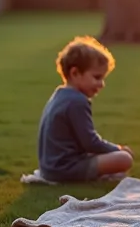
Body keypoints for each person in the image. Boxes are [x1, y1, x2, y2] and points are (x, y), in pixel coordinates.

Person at [36, 36, 134, 183]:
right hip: (64, 169)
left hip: (49, 168)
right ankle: (98, 175)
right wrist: (118, 149)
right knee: (124, 159)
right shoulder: (77, 101)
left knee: (115, 158)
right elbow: (90, 142)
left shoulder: (59, 94)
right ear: (75, 73)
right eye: (97, 77)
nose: (101, 84)